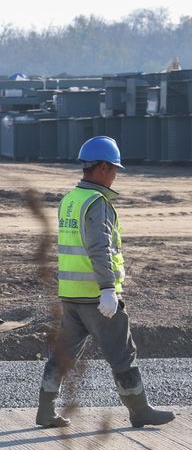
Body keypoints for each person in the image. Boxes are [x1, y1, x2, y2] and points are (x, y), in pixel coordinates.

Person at [34, 136, 174, 429]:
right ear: (101, 168)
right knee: (123, 354)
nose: (115, 175)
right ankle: (139, 411)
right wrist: (108, 289)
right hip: (96, 297)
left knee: (63, 354)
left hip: (70, 295)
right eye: (113, 169)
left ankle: (45, 411)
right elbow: (100, 249)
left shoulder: (70, 201)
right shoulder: (97, 203)